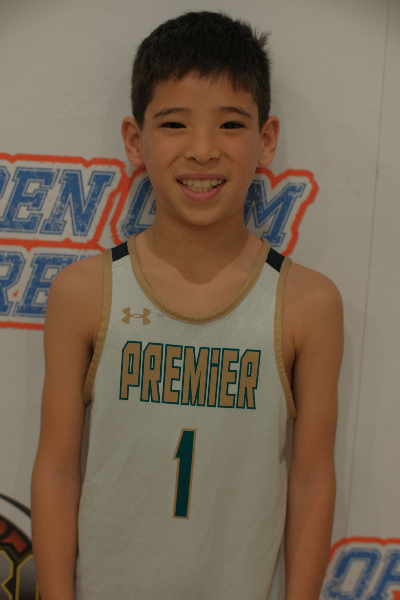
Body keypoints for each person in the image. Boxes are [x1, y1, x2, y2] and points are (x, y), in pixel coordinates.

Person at [31, 10, 343, 600]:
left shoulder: (308, 303)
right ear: (135, 140)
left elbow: (310, 480)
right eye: (174, 124)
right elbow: (57, 469)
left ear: (266, 139)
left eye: (230, 124)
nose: (202, 150)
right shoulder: (84, 292)